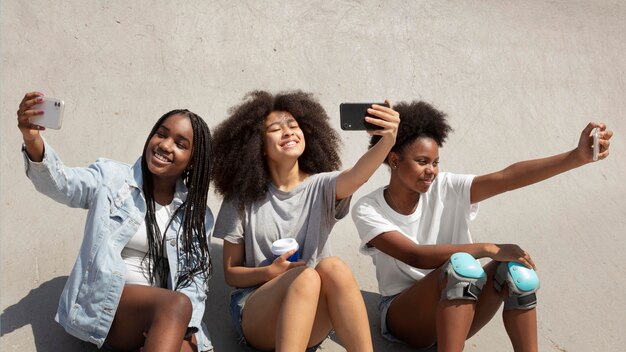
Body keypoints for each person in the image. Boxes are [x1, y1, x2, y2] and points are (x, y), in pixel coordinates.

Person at [351, 100, 613, 352]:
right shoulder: (369, 208)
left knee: (516, 272)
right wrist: (487, 248)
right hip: (404, 315)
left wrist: (576, 157)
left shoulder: (446, 188)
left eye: (435, 162)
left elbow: (507, 178)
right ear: (395, 161)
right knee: (461, 267)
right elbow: (415, 255)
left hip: (459, 304)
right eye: (422, 162)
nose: (431, 170)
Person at [17, 91, 215, 352]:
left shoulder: (197, 215)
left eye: (180, 144)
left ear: (192, 162)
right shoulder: (111, 178)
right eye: (161, 133)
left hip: (164, 317)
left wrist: (183, 332)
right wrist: (32, 140)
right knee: (176, 305)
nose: (165, 145)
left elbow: (195, 282)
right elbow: (63, 184)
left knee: (189, 345)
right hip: (107, 306)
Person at [211, 90, 399, 352]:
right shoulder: (241, 198)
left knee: (333, 267)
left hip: (311, 313)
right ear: (258, 146)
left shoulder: (321, 186)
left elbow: (358, 176)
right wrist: (271, 272)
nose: (288, 132)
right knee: (306, 277)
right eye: (276, 129)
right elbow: (232, 273)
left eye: (293, 125)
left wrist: (386, 142)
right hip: (256, 309)